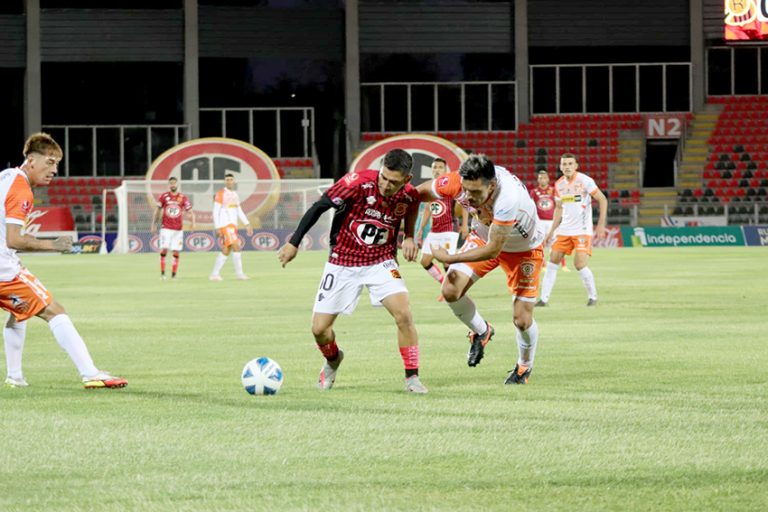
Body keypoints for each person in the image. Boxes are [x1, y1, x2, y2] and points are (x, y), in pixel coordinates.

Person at [277, 149, 427, 394]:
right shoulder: (356, 183)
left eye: (394, 182)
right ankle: (333, 359)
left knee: (404, 314)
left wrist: (409, 236)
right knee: (319, 330)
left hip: (381, 261)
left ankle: (412, 378)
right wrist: (294, 242)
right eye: (384, 178)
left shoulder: (408, 195)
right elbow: (319, 206)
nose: (387, 185)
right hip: (343, 261)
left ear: (406, 180)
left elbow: (410, 208)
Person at [2, 133, 127, 389]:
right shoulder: (21, 189)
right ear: (31, 160)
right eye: (49, 162)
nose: (54, 170)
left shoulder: (6, 176)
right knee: (54, 310)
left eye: (57, 164)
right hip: (3, 269)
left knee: (20, 312)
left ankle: (15, 377)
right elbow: (13, 239)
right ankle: (90, 373)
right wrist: (53, 245)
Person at [418, 154, 546, 385]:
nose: (468, 198)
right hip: (484, 236)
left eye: (476, 193)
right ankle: (481, 330)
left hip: (523, 249)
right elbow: (418, 193)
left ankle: (524, 367)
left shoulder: (507, 198)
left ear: (492, 186)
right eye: (466, 191)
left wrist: (451, 256)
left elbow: (493, 250)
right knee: (450, 289)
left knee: (522, 320)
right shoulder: (461, 181)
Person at [536, 153, 608, 307]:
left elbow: (602, 199)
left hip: (582, 230)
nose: (567, 167)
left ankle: (593, 297)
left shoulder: (585, 181)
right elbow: (559, 209)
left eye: (570, 164)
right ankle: (544, 299)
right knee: (553, 260)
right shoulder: (559, 184)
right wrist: (550, 233)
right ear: (560, 167)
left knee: (579, 264)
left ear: (576, 166)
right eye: (564, 164)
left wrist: (601, 224)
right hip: (564, 230)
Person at [415, 158, 469, 299]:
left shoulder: (450, 184)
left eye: (440, 167)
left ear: (445, 170)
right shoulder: (430, 187)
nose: (437, 169)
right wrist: (421, 229)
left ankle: (455, 290)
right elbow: (427, 209)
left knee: (447, 262)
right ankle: (444, 285)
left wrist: (464, 225)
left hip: (449, 228)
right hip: (435, 230)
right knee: (424, 261)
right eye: (434, 167)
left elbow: (464, 204)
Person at [209, 173, 253, 281]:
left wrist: (246, 223)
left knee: (226, 249)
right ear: (225, 181)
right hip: (225, 225)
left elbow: (239, 210)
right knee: (236, 246)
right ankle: (240, 274)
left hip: (233, 225)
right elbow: (215, 211)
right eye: (227, 179)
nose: (229, 181)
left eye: (231, 179)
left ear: (234, 181)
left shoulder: (235, 195)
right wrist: (218, 227)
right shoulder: (220, 194)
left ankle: (214, 274)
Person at [150, 177, 195, 280]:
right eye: (171, 183)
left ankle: (173, 276)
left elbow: (190, 211)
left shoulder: (183, 197)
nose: (173, 185)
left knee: (176, 252)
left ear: (177, 184)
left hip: (178, 229)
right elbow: (157, 210)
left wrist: (193, 223)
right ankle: (162, 274)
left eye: (174, 183)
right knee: (164, 250)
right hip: (166, 228)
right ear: (169, 185)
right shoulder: (164, 196)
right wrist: (153, 224)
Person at [530, 170, 569, 272]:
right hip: (540, 222)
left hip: (552, 221)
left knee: (557, 243)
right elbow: (531, 207)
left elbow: (559, 205)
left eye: (544, 178)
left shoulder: (553, 190)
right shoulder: (534, 192)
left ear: (548, 179)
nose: (542, 179)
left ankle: (563, 265)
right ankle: (543, 266)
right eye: (540, 178)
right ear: (538, 180)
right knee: (540, 243)